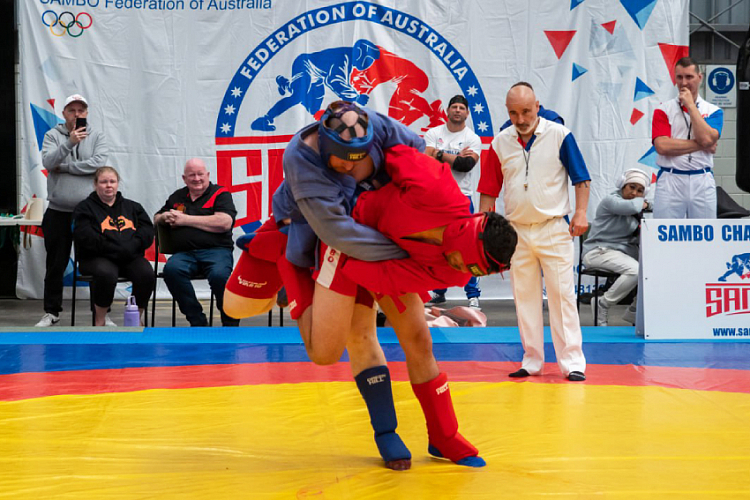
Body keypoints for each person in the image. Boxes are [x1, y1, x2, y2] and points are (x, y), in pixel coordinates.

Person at [226, 102, 492, 469]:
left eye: (358, 158)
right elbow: (338, 232)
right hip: (330, 236)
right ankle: (290, 268)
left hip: (377, 228)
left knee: (418, 336)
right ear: (324, 145)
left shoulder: (378, 127)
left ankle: (443, 435)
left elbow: (416, 153)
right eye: (342, 161)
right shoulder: (302, 158)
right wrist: (406, 255)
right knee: (329, 348)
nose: (350, 167)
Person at [478, 82, 590, 382]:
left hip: (554, 227)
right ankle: (531, 359)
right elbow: (488, 191)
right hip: (517, 233)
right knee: (523, 297)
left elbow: (581, 179)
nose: (521, 118)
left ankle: (572, 362)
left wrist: (580, 213)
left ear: (537, 106)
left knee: (562, 297)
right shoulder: (499, 142)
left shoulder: (559, 135)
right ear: (507, 112)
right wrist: (484, 234)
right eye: (514, 113)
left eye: (526, 111)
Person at [36, 94, 110, 327]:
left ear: (87, 113)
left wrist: (65, 167)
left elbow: (98, 165)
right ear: (64, 113)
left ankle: (100, 314)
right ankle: (51, 312)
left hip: (90, 212)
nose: (77, 114)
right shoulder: (52, 136)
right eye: (72, 110)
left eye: (81, 110)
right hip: (58, 210)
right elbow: (48, 163)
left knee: (97, 263)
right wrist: (69, 142)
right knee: (55, 263)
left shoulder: (97, 135)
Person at [154, 158, 240, 327]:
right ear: (184, 178)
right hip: (185, 253)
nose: (196, 178)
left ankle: (230, 323)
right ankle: (197, 320)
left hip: (217, 251)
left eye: (200, 174)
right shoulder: (178, 196)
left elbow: (224, 223)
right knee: (171, 270)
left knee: (219, 276)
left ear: (207, 175)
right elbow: (157, 217)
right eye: (191, 175)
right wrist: (164, 217)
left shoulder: (220, 194)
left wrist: (186, 220)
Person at [71, 167, 155, 326]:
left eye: (112, 181)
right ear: (95, 184)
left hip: (129, 256)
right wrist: (118, 248)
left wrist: (131, 246)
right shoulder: (84, 208)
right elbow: (85, 237)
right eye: (103, 182)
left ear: (118, 184)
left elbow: (147, 232)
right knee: (106, 273)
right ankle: (100, 319)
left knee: (146, 273)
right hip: (96, 258)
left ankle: (135, 317)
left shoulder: (133, 207)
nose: (108, 185)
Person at [423, 95, 483, 308]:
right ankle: (438, 291)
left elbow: (466, 165)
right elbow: (427, 160)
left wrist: (439, 154)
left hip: (461, 198)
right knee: (437, 246)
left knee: (467, 247)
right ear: (447, 111)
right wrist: (453, 157)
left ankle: (472, 294)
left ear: (467, 113)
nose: (457, 110)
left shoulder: (472, 138)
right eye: (454, 107)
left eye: (461, 108)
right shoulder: (433, 133)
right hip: (437, 198)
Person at [652, 57, 723, 219]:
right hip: (671, 178)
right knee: (666, 233)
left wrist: (691, 106)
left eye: (689, 77)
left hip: (701, 178)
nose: (684, 83)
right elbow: (663, 146)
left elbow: (706, 140)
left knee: (705, 233)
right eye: (679, 77)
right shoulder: (663, 110)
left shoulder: (713, 111)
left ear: (700, 77)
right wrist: (702, 144)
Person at [583, 168, 650, 326]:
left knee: (651, 271)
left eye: (640, 190)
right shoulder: (611, 201)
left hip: (617, 254)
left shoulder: (637, 211)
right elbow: (633, 207)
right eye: (631, 187)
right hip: (597, 252)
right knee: (635, 270)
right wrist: (645, 203)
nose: (634, 193)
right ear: (622, 186)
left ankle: (634, 311)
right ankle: (603, 303)